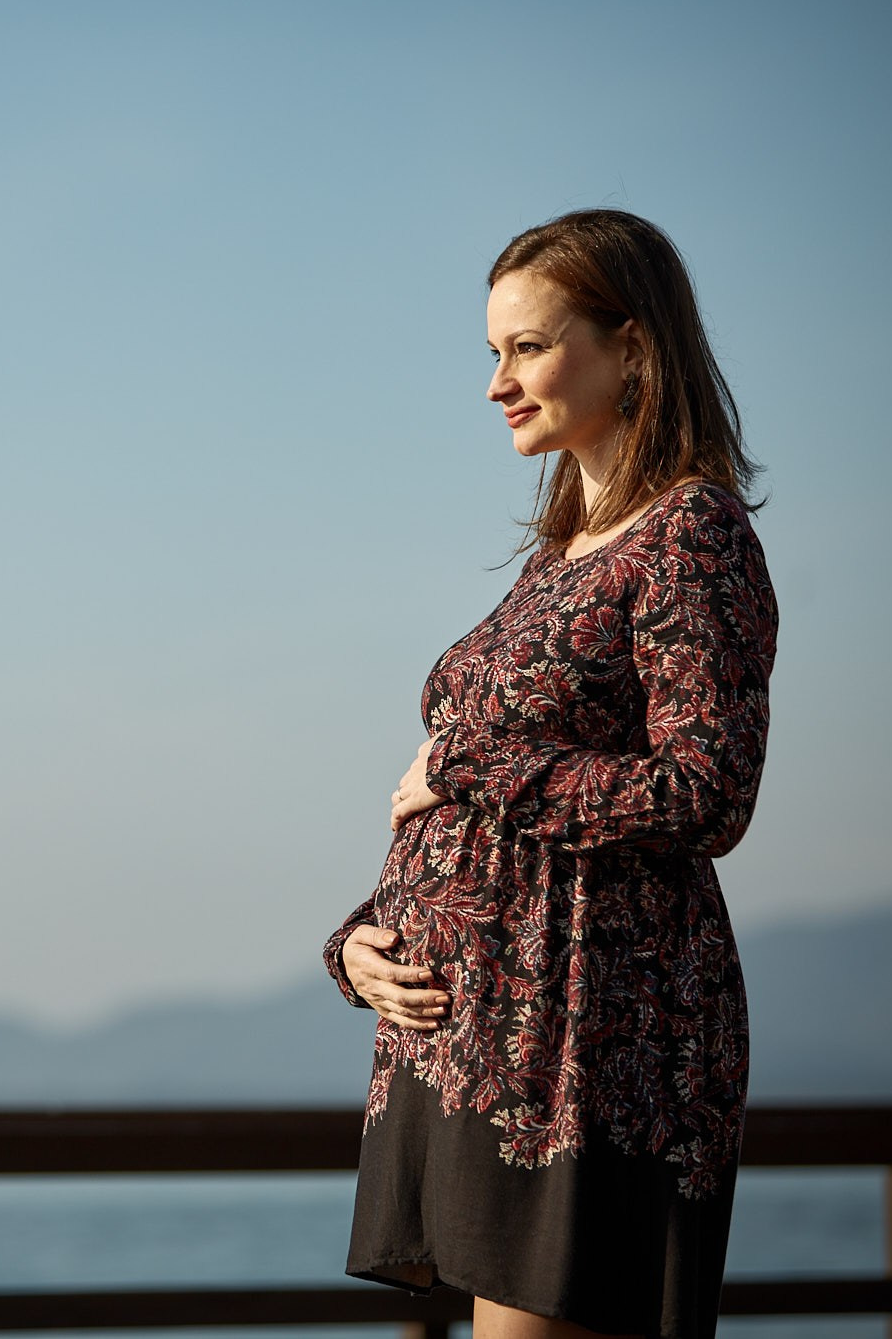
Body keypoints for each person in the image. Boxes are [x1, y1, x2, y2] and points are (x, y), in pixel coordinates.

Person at [322, 211, 775, 1339]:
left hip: (585, 1049)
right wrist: (364, 943)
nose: (496, 384)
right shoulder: (551, 562)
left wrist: (471, 760)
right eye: (492, 353)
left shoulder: (689, 536)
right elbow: (492, 805)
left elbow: (702, 792)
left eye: (527, 347)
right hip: (476, 1041)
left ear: (631, 348)